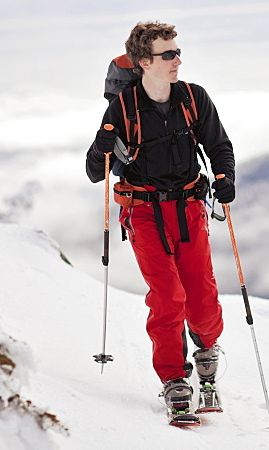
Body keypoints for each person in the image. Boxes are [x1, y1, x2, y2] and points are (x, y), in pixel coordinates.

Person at [85, 21, 235, 417]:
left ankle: (206, 349)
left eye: (177, 52)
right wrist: (104, 140)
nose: (177, 60)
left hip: (188, 208)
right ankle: (174, 379)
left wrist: (225, 178)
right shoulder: (122, 108)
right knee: (169, 297)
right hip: (144, 212)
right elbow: (94, 171)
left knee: (201, 299)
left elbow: (218, 145)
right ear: (143, 62)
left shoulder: (193, 98)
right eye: (168, 54)